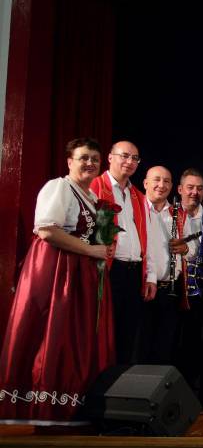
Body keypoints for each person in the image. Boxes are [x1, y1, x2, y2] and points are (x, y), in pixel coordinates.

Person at [0, 138, 115, 425]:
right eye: (84, 157)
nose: (90, 163)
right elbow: (47, 230)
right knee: (52, 331)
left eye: (95, 159)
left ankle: (69, 406)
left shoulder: (90, 197)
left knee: (73, 337)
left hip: (78, 273)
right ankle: (40, 406)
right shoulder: (60, 187)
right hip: (55, 270)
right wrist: (91, 249)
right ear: (69, 161)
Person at [91, 141, 155, 364]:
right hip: (107, 271)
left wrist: (150, 275)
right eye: (124, 156)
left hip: (134, 272)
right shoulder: (95, 186)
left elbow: (147, 239)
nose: (129, 162)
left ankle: (121, 381)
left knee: (128, 336)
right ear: (110, 157)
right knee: (102, 332)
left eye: (135, 158)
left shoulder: (138, 195)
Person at [175, 168, 203, 394]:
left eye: (199, 188)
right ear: (180, 189)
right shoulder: (170, 214)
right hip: (175, 288)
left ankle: (198, 391)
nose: (194, 192)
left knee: (200, 341)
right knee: (175, 341)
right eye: (190, 187)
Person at [143, 166, 191, 364]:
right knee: (140, 346)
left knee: (165, 349)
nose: (161, 185)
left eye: (166, 181)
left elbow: (194, 249)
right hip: (142, 288)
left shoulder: (179, 214)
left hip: (170, 291)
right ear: (145, 183)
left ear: (172, 186)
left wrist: (186, 248)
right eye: (156, 180)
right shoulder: (137, 210)